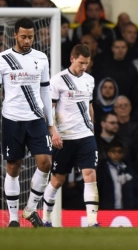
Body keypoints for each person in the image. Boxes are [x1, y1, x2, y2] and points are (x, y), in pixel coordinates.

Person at [0, 18, 53, 227]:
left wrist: (51, 124)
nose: (27, 40)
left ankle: (30, 209)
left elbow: (45, 90)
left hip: (36, 119)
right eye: (23, 36)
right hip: (12, 118)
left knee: (45, 162)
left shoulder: (41, 58)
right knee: (13, 167)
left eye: (31, 36)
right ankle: (13, 218)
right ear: (15, 35)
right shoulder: (3, 59)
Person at [42, 44, 99, 227]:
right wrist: (53, 132)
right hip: (64, 137)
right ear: (72, 59)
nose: (84, 67)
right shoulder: (58, 80)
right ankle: (46, 219)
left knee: (90, 173)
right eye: (81, 62)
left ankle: (92, 222)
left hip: (85, 136)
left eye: (87, 63)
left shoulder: (90, 80)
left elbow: (90, 106)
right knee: (58, 179)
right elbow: (49, 108)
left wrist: (92, 127)